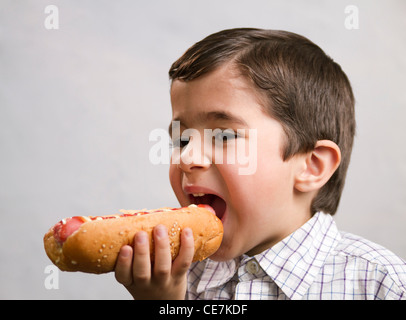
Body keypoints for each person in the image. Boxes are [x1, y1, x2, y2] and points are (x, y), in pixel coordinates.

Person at [114, 28, 406, 299]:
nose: (187, 158)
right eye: (181, 140)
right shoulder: (171, 277)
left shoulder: (379, 283)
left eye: (224, 136)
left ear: (311, 166)